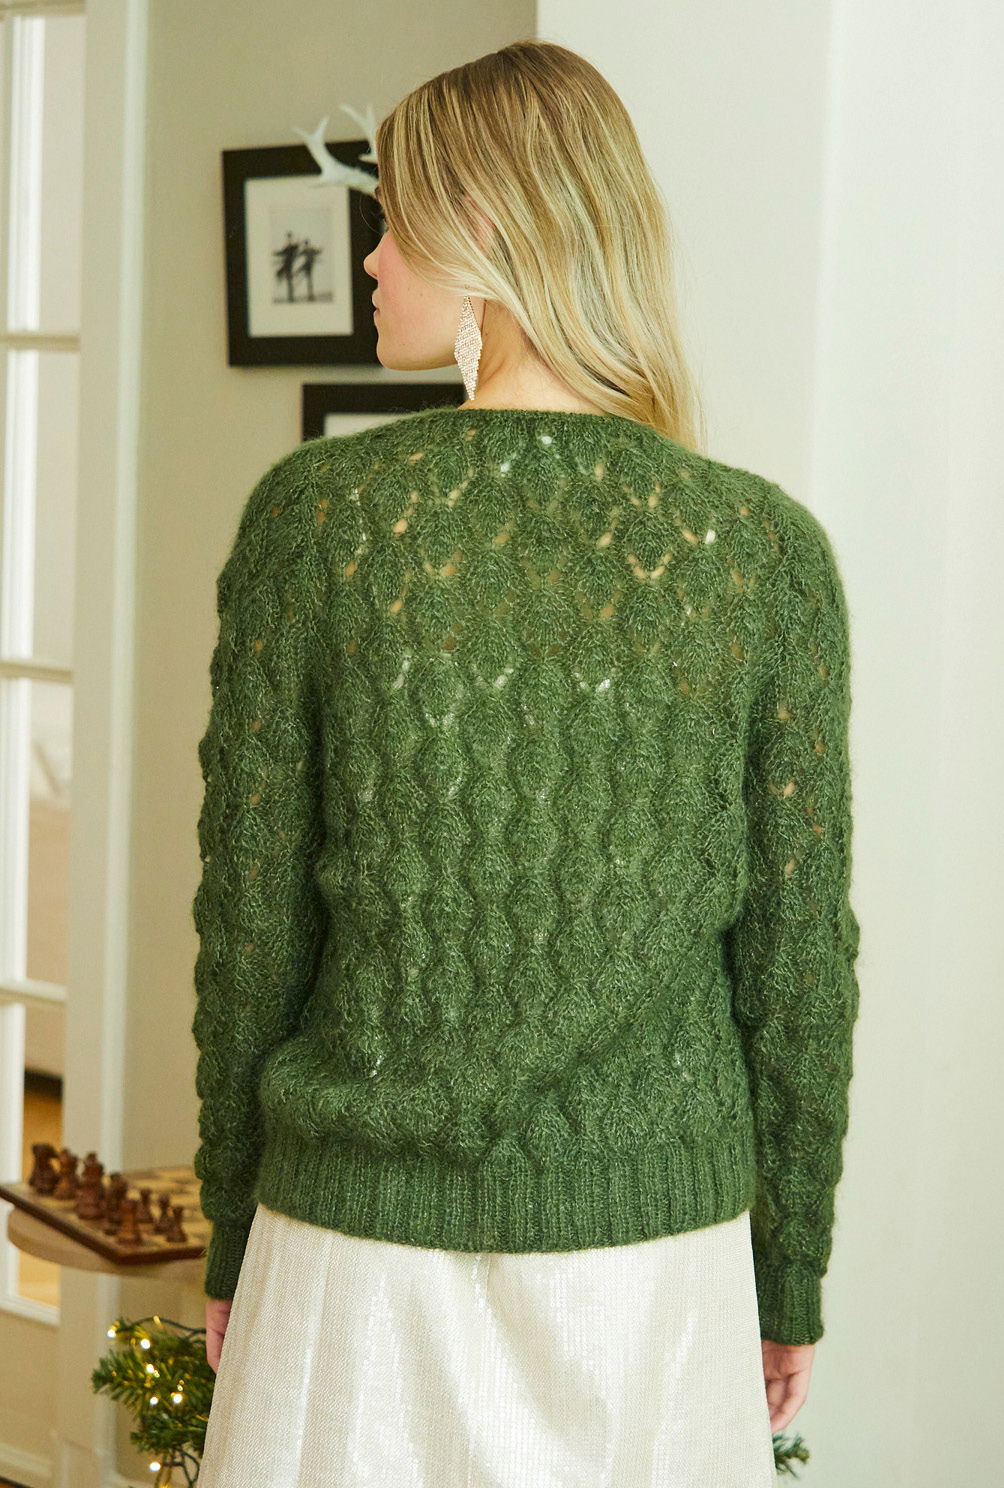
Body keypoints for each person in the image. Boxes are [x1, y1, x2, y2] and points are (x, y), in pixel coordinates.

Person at [192, 38, 861, 1487]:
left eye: (396, 218)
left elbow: (253, 933)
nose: (372, 258)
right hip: (652, 1277)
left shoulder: (319, 522)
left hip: (353, 1267)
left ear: (488, 233)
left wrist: (232, 1236)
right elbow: (798, 967)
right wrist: (790, 1269)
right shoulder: (762, 555)